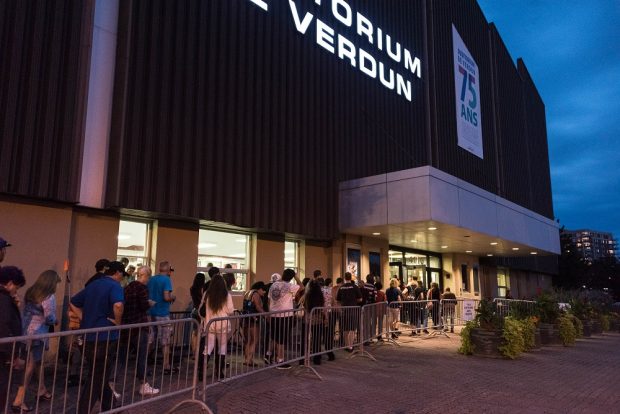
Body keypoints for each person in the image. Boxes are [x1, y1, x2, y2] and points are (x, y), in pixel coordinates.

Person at [70, 261, 125, 414]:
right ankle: (83, 410)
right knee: (97, 376)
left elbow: (73, 301)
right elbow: (118, 305)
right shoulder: (115, 286)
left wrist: (83, 317)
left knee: (98, 373)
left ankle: (111, 406)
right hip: (105, 336)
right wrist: (118, 323)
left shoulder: (93, 284)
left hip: (88, 336)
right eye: (122, 275)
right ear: (118, 273)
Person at [11, 270, 60, 411]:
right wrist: (56, 321)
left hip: (25, 331)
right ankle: (18, 401)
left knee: (37, 362)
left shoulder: (31, 292)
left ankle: (42, 390)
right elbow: (49, 317)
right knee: (30, 366)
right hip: (38, 334)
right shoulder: (49, 296)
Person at [120, 265, 159, 396]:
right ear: (147, 276)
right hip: (139, 325)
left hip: (126, 325)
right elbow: (143, 306)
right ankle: (143, 384)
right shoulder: (142, 288)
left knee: (122, 357)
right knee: (142, 356)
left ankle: (112, 385)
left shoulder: (128, 287)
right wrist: (149, 303)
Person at [0, 266, 26, 412]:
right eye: (16, 287)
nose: (16, 291)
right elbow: (4, 325)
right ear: (9, 283)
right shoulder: (3, 299)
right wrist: (13, 355)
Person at [201, 272, 234, 379]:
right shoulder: (226, 295)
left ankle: (201, 371)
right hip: (222, 324)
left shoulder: (207, 293)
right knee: (222, 347)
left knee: (208, 347)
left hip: (210, 323)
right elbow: (230, 310)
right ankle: (219, 372)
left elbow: (201, 308)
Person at [268, 268, 302, 369]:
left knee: (275, 337)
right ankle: (280, 360)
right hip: (285, 315)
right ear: (291, 277)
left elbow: (269, 299)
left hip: (274, 314)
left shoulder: (273, 285)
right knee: (282, 339)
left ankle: (269, 355)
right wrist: (296, 276)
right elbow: (302, 286)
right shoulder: (290, 286)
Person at [147, 261, 177, 374]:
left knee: (150, 339)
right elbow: (166, 297)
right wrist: (172, 297)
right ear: (168, 270)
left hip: (150, 312)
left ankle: (143, 364)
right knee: (166, 340)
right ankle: (166, 365)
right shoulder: (166, 280)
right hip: (162, 313)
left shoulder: (152, 279)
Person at [336, 272, 362, 351]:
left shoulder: (341, 287)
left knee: (345, 329)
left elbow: (338, 300)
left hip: (344, 311)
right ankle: (350, 346)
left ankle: (346, 345)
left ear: (344, 278)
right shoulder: (355, 287)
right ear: (351, 278)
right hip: (353, 310)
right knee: (352, 329)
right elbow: (360, 299)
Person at [242, 281, 266, 366]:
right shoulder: (255, 294)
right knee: (254, 340)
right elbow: (258, 307)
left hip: (245, 319)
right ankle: (249, 360)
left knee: (248, 341)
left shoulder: (247, 292)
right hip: (253, 320)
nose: (264, 292)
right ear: (259, 289)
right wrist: (265, 315)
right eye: (263, 290)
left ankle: (247, 359)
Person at [303, 280, 325, 365]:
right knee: (317, 339)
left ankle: (306, 356)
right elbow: (322, 307)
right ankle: (317, 357)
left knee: (307, 339)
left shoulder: (307, 295)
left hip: (308, 319)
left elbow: (304, 305)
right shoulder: (320, 295)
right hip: (318, 319)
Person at [321, 278, 335, 360]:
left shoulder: (321, 290)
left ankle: (318, 353)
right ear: (330, 283)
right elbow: (333, 301)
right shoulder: (331, 290)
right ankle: (330, 352)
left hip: (320, 313)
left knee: (321, 332)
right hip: (329, 312)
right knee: (329, 333)